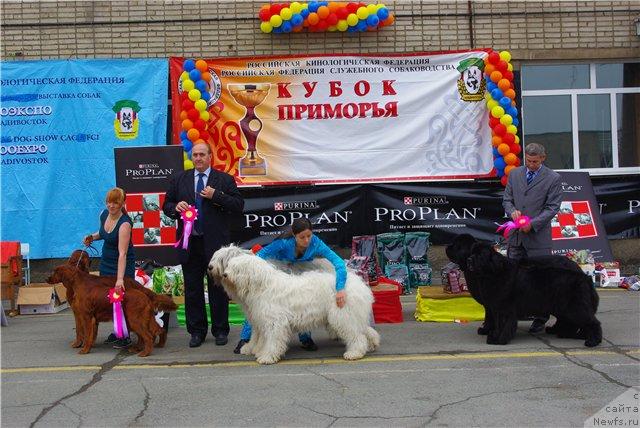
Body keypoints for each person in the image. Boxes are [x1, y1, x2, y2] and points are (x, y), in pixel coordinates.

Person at [162, 142, 244, 348]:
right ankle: (197, 332)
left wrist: (216, 195)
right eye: (195, 155)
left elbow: (238, 205)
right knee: (192, 289)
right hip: (190, 243)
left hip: (215, 246)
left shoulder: (223, 180)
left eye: (202, 155)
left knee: (218, 287)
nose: (197, 158)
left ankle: (220, 330)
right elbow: (167, 206)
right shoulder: (179, 179)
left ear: (210, 157)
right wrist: (175, 207)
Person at [234, 217, 347, 354]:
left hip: (301, 273)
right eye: (302, 237)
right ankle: (245, 338)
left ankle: (305, 339)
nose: (306, 240)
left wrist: (340, 289)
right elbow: (258, 258)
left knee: (304, 304)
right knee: (260, 307)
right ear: (294, 235)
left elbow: (339, 263)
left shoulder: (317, 243)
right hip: (279, 276)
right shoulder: (283, 243)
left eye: (309, 236)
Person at [502, 143, 562, 333]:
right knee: (511, 278)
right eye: (528, 161)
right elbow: (507, 199)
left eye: (535, 162)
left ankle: (541, 317)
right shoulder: (515, 174)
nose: (531, 165)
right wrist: (512, 212)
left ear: (543, 159)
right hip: (516, 238)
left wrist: (533, 224)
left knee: (540, 280)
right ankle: (512, 315)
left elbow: (552, 207)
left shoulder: (553, 178)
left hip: (538, 239)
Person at [83, 187, 136, 349]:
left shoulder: (125, 224)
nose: (111, 206)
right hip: (105, 262)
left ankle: (125, 335)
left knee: (121, 298)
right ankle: (117, 331)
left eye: (115, 203)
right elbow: (103, 233)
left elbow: (122, 254)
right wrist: (92, 237)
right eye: (108, 202)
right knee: (111, 300)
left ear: (122, 204)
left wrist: (120, 279)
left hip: (121, 265)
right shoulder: (103, 215)